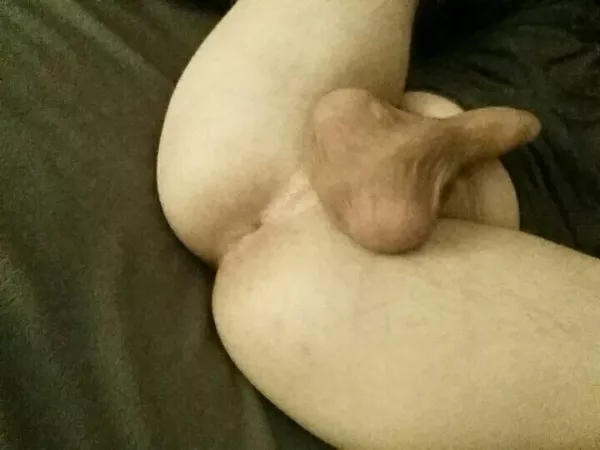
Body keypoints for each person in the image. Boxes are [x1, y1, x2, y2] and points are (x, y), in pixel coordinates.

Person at [157, 0, 600, 448]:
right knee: (283, 291)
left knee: (220, 182)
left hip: (522, 64)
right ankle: (445, 161)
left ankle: (435, 136)